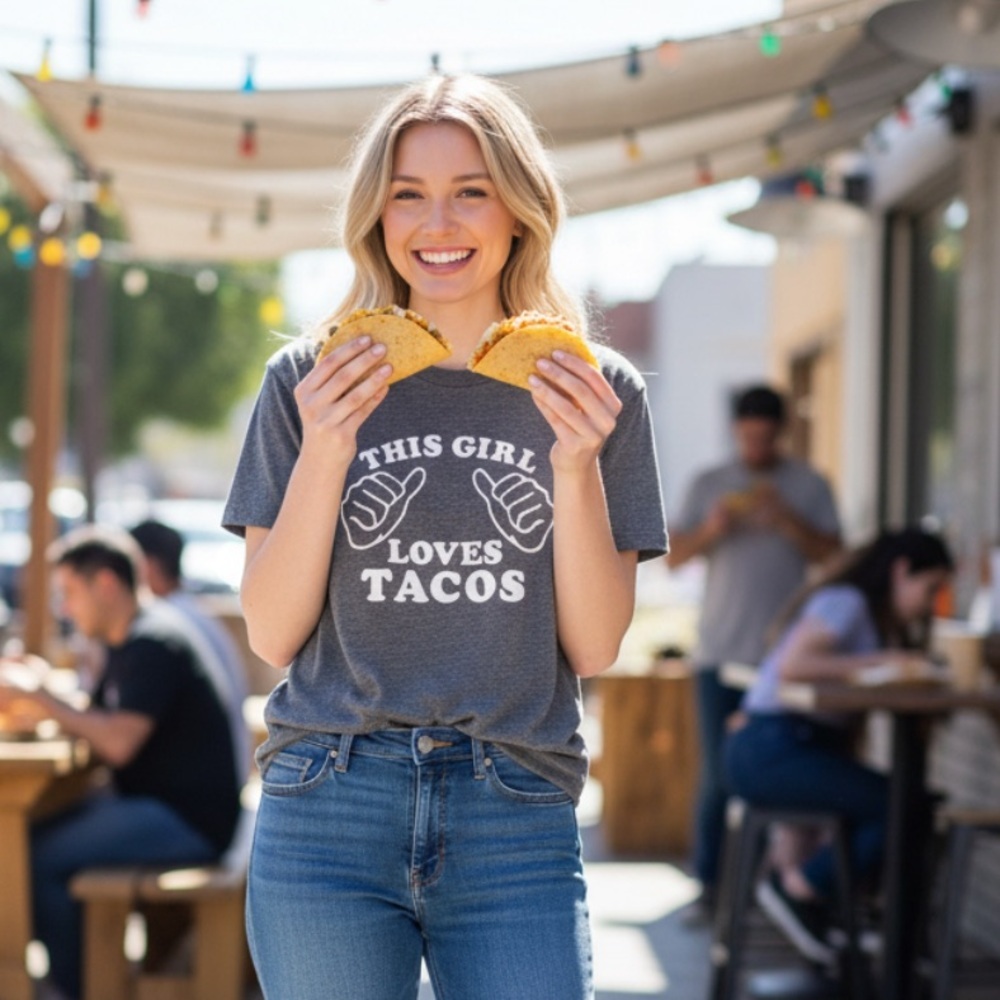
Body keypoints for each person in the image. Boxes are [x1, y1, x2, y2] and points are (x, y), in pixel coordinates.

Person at [222, 73, 667, 1000]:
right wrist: (328, 446)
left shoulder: (597, 390)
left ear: (519, 208)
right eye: (407, 195)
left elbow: (594, 646)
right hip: (329, 795)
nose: (438, 223)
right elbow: (270, 632)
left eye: (471, 190)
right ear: (376, 215)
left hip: (514, 804)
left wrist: (575, 466)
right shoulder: (307, 380)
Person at [0, 526, 242, 1000]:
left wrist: (40, 697)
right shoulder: (132, 639)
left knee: (31, 857)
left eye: (70, 593)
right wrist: (43, 690)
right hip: (164, 808)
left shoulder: (155, 642)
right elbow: (98, 717)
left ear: (106, 584)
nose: (65, 609)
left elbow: (117, 745)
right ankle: (76, 979)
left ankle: (75, 988)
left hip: (190, 822)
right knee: (32, 836)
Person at [724, 526, 954, 965]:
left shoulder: (877, 621)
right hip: (772, 748)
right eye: (931, 589)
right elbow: (794, 665)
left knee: (908, 803)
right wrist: (885, 662)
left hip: (781, 747)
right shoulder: (848, 602)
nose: (932, 604)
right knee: (904, 805)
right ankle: (802, 890)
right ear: (901, 571)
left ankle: (861, 922)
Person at [667, 384, 841, 923]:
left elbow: (836, 557)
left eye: (766, 438)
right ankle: (710, 888)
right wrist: (712, 528)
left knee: (777, 773)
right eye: (748, 438)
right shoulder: (710, 483)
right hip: (719, 652)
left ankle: (770, 886)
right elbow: (672, 557)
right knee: (719, 775)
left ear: (782, 433)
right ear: (736, 432)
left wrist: (787, 519)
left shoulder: (808, 485)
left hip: (784, 660)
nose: (757, 448)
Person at [130, 518, 252, 778]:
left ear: (144, 567)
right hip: (228, 776)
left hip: (202, 788)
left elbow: (121, 737)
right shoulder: (194, 614)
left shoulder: (160, 627)